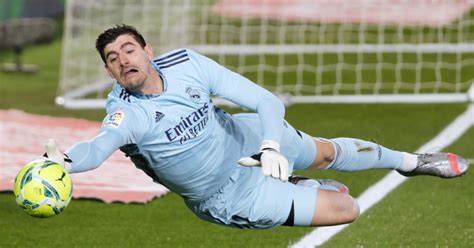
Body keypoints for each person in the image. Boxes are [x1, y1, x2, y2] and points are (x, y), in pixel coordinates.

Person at [44, 25, 469, 229]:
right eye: (113, 59)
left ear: (147, 51)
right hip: (225, 193)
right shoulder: (125, 111)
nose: (123, 60)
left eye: (128, 49)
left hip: (242, 137)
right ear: (109, 71)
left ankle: (412, 161)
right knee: (346, 210)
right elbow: (100, 147)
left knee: (324, 152)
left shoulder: (188, 65)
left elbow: (266, 100)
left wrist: (268, 145)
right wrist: (65, 162)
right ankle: (299, 186)